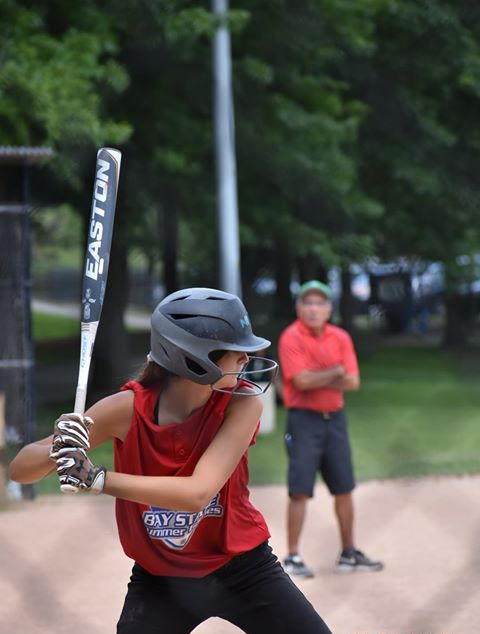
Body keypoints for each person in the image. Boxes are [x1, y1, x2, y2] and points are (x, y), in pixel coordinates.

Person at [10, 287, 334, 634]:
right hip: (160, 577)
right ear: (195, 358)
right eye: (236, 352)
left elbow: (198, 493)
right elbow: (20, 470)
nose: (246, 359)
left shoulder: (242, 404)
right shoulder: (127, 408)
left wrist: (97, 478)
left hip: (242, 567)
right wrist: (60, 447)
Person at [278, 280, 384, 578]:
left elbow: (353, 381)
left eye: (319, 303)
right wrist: (335, 371)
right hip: (303, 420)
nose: (313, 308)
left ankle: (349, 553)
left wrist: (321, 376)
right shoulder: (291, 337)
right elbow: (301, 381)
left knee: (344, 487)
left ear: (329, 309)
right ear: (299, 308)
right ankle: (293, 557)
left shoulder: (340, 336)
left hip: (335, 419)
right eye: (307, 303)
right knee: (299, 490)